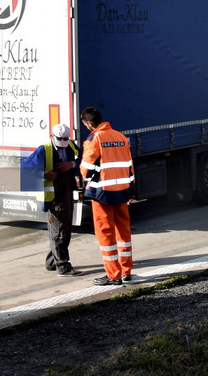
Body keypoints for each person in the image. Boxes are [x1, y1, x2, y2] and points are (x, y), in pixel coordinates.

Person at [79, 106, 136, 286]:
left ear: (89, 124)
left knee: (105, 233)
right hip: (123, 190)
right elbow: (129, 165)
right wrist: (131, 189)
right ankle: (126, 271)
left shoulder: (94, 139)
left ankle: (113, 275)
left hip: (102, 193)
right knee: (123, 231)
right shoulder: (120, 137)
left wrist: (86, 181)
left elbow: (85, 168)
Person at [24, 123, 82, 276]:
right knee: (59, 232)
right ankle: (62, 266)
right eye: (60, 140)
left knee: (65, 230)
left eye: (65, 140)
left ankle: (52, 262)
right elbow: (24, 171)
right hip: (54, 197)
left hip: (66, 193)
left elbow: (84, 158)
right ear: (52, 136)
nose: (63, 144)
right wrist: (44, 175)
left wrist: (72, 164)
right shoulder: (43, 150)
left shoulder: (70, 145)